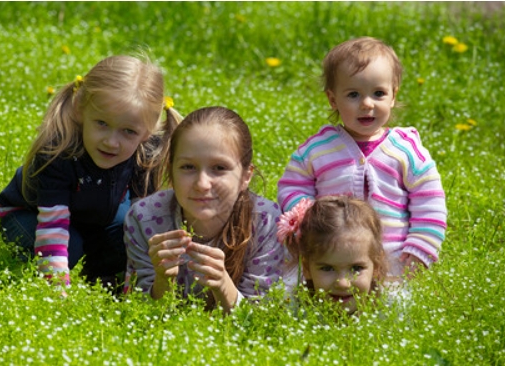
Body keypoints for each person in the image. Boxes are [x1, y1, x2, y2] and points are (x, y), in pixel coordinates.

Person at [0, 55, 182, 289]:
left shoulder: (146, 152)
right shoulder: (59, 152)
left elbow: (142, 225)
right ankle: (62, 269)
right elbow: (53, 227)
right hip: (31, 214)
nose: (111, 142)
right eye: (102, 123)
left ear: (147, 131)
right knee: (71, 247)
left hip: (92, 214)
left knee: (127, 234)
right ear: (80, 110)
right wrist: (57, 291)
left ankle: (99, 278)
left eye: (128, 131)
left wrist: (135, 286)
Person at [277, 37, 447, 279]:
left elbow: (429, 201)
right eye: (354, 95)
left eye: (378, 93)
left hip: (392, 261)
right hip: (330, 259)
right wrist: (307, 213)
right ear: (333, 100)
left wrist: (421, 247)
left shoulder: (406, 150)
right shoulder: (318, 149)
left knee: (394, 308)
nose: (367, 104)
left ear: (393, 96)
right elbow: (292, 185)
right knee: (296, 291)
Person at [124, 106, 284, 312]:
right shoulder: (145, 218)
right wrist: (162, 280)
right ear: (170, 170)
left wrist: (223, 285)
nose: (202, 184)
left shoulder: (265, 221)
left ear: (246, 176)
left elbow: (262, 317)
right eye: (188, 167)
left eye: (219, 168)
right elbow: (138, 310)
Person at [277, 196, 388, 314]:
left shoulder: (390, 309)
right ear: (307, 268)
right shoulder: (291, 307)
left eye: (356, 268)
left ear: (376, 266)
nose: (343, 283)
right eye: (327, 268)